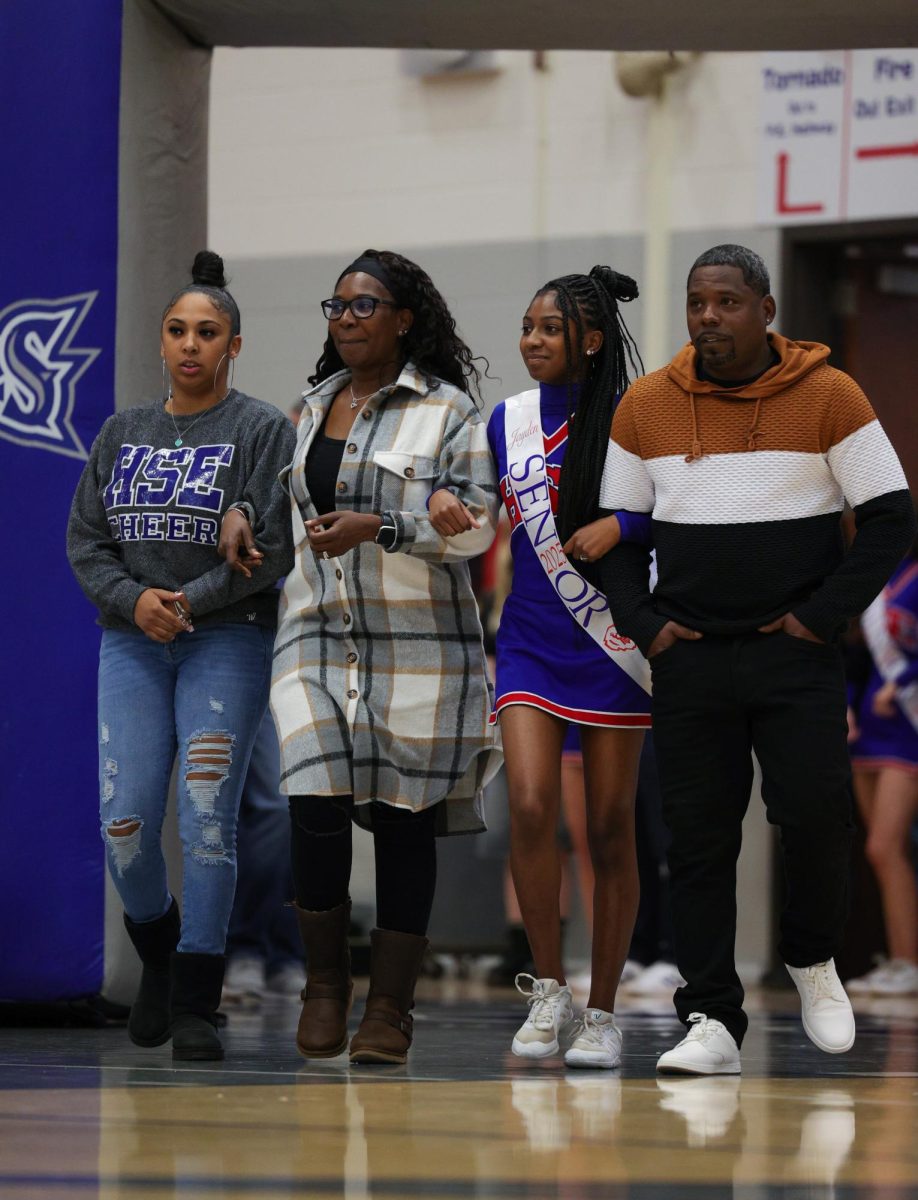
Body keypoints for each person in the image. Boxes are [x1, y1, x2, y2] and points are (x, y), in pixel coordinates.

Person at [598, 243, 916, 1074]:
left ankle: (813, 963)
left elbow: (891, 516)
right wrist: (647, 625)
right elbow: (619, 533)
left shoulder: (829, 394)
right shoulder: (646, 405)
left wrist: (821, 620)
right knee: (698, 843)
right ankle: (709, 1018)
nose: (709, 316)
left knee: (815, 818)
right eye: (699, 302)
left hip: (794, 656)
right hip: (690, 659)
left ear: (766, 311)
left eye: (728, 302)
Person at [224, 249, 500, 1066]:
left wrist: (388, 527)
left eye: (363, 306)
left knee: (400, 821)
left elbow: (480, 530)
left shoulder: (448, 412)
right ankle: (323, 985)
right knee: (311, 796)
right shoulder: (310, 407)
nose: (345, 320)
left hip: (418, 640)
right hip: (317, 628)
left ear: (404, 318)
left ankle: (390, 1008)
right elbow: (293, 509)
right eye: (336, 308)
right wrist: (246, 514)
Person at [67, 251, 296, 1060]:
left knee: (205, 818)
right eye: (177, 331)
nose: (190, 345)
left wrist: (186, 604)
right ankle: (161, 956)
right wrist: (137, 603)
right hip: (131, 642)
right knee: (124, 823)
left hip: (225, 642)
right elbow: (86, 542)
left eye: (208, 332)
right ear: (161, 344)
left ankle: (198, 997)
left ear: (234, 344)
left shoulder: (263, 428)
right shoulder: (122, 430)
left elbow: (270, 550)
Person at [430, 266, 651, 1069]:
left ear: (589, 339)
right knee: (526, 805)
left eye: (549, 328)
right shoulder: (508, 420)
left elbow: (669, 513)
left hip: (612, 647)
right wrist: (450, 511)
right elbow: (481, 520)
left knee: (607, 825)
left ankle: (602, 1010)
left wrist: (621, 527)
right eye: (526, 326)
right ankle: (549, 989)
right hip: (527, 636)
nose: (530, 340)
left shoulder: (634, 414)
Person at [847, 531, 918, 996]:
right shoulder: (876, 579)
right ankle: (897, 961)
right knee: (878, 852)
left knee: (884, 847)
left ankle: (908, 961)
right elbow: (851, 655)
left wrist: (906, 679)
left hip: (907, 725)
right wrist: (847, 703)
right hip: (868, 729)